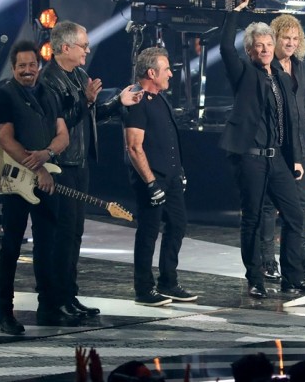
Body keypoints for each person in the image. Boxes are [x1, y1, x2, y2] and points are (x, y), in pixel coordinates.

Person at [220, 0, 305, 298]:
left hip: (277, 158)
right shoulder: (245, 74)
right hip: (250, 158)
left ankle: (293, 276)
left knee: (294, 215)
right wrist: (235, 13)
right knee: (252, 218)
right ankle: (255, 278)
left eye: (268, 45)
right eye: (259, 46)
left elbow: (290, 119)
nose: (265, 50)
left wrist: (295, 158)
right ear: (250, 51)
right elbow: (226, 47)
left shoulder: (280, 76)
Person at [40, 21, 136, 318]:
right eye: (84, 45)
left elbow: (89, 116)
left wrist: (116, 104)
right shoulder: (49, 81)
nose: (88, 50)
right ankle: (54, 301)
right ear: (65, 47)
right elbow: (59, 124)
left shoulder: (79, 74)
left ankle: (70, 295)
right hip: (61, 167)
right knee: (62, 235)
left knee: (76, 233)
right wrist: (85, 101)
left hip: (80, 163)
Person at [0, 40, 69, 330]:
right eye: (21, 65)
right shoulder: (4, 95)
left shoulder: (49, 93)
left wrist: (47, 155)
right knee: (11, 246)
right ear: (13, 68)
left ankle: (47, 307)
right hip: (16, 182)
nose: (27, 70)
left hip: (46, 177)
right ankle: (4, 311)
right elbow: (6, 139)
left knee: (47, 244)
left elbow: (63, 135)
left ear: (39, 65)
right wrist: (37, 169)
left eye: (31, 65)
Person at [123, 46, 197, 307]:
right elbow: (134, 147)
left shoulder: (160, 98)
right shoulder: (137, 101)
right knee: (148, 232)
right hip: (151, 180)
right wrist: (151, 182)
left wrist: (180, 172)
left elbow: (170, 140)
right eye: (166, 70)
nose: (170, 75)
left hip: (172, 178)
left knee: (178, 225)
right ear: (152, 72)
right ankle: (143, 289)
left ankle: (168, 282)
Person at [259, 14, 305, 282]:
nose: (290, 42)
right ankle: (267, 261)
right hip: (275, 149)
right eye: (285, 37)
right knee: (268, 207)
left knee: (299, 207)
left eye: (295, 38)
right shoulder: (266, 67)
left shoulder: (298, 66)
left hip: (301, 148)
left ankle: (302, 260)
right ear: (275, 38)